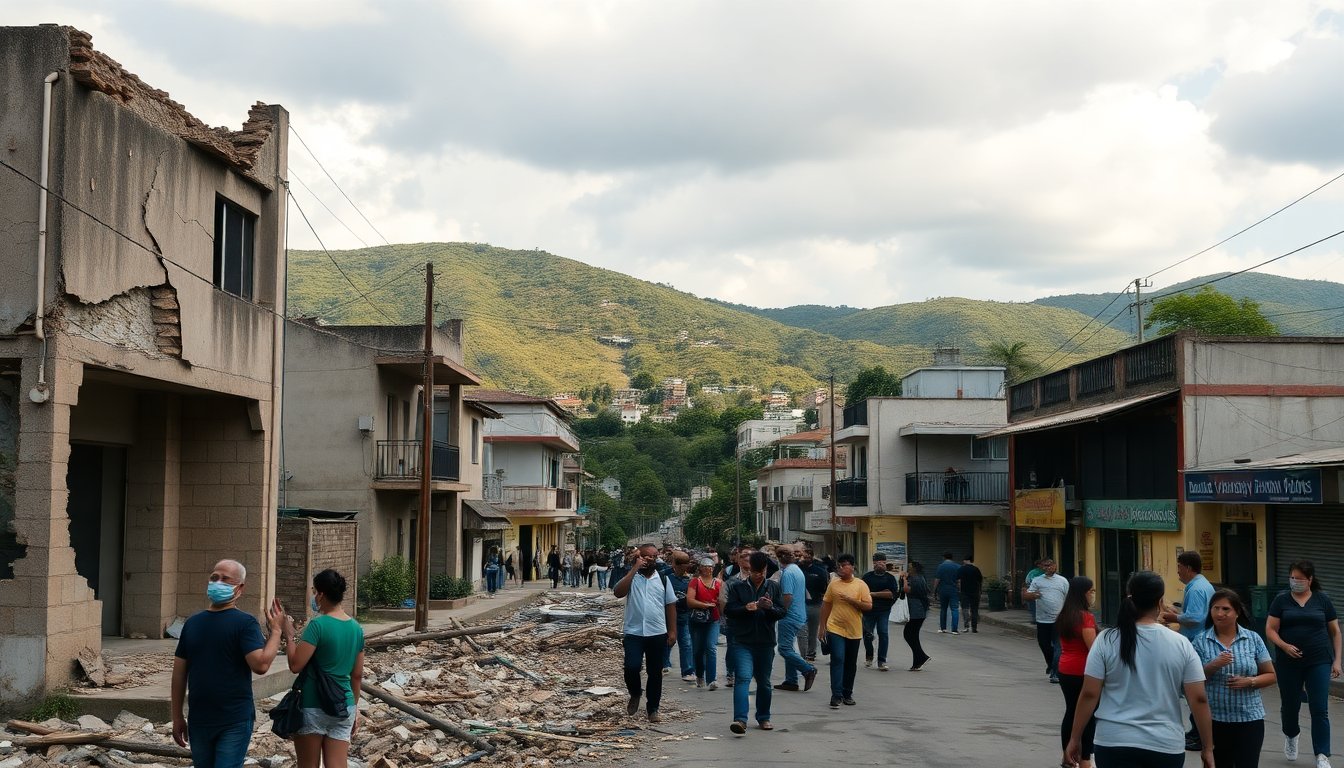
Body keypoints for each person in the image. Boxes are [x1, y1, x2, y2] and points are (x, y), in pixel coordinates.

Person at [1066, 571, 1213, 768]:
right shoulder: (1181, 643)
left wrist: (1075, 738)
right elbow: (1198, 699)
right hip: (1164, 745)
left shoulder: (1107, 640)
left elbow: (1090, 693)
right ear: (1160, 601)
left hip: (1113, 743)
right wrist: (1208, 748)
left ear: (1130, 597)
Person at [171, 560, 285, 768]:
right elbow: (179, 674)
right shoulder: (193, 623)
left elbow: (260, 665)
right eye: (214, 577)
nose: (218, 582)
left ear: (240, 588)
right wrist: (177, 715)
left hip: (233, 720)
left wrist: (276, 632)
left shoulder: (245, 623)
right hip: (199, 718)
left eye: (225, 579)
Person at [283, 569, 365, 768]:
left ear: (320, 594)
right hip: (344, 705)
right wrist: (353, 710)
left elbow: (296, 665)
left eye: (314, 591)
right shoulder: (356, 628)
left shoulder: (317, 625)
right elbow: (357, 675)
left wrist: (289, 636)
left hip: (314, 704)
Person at [1266, 559, 1342, 768]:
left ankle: (1322, 754)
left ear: (1310, 579)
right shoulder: (1281, 600)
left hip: (1319, 660)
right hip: (1288, 662)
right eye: (1292, 578)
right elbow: (1271, 629)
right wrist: (1284, 646)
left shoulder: (1322, 600)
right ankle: (1291, 735)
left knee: (1320, 708)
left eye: (1299, 578)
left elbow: (1335, 631)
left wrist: (1337, 661)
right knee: (1290, 705)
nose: (1295, 582)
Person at [1194, 588, 1275, 768]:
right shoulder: (1200, 641)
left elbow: (1270, 675)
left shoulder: (1253, 639)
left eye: (1225, 609)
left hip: (1249, 718)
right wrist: (1213, 665)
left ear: (1237, 612)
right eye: (1215, 608)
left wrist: (1250, 681)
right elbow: (1193, 681)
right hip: (1214, 720)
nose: (1219, 613)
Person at [613, 543, 677, 723]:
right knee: (631, 667)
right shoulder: (632, 578)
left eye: (654, 556)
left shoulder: (663, 579)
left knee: (655, 672)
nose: (651, 559)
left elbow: (670, 605)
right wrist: (634, 569)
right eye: (647, 556)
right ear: (638, 558)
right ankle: (635, 693)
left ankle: (653, 709)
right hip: (634, 632)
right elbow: (618, 592)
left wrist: (672, 631)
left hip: (657, 632)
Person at [724, 551, 788, 734]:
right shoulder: (738, 587)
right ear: (749, 570)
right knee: (743, 678)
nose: (759, 575)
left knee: (764, 682)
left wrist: (769, 608)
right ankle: (740, 719)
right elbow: (729, 610)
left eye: (762, 571)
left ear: (766, 569)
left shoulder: (773, 587)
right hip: (742, 641)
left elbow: (782, 612)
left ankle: (763, 717)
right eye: (755, 572)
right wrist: (746, 608)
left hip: (765, 642)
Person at [1160, 550, 1216, 751]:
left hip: (1197, 645)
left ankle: (1199, 733)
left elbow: (1195, 618)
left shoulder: (1197, 588)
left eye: (1179, 568)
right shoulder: (1199, 586)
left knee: (1193, 689)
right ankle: (1196, 730)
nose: (1178, 572)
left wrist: (1173, 618)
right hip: (1196, 642)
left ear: (1188, 568)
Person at [819, 553, 873, 708]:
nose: (840, 568)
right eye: (839, 565)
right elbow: (826, 605)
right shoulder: (833, 584)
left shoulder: (860, 585)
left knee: (850, 662)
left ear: (852, 567)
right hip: (835, 627)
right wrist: (822, 627)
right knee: (837, 658)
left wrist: (851, 600)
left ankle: (847, 693)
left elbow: (868, 606)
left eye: (844, 565)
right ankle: (836, 695)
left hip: (854, 630)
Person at [1055, 576, 1098, 768]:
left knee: (1071, 711)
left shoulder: (1064, 614)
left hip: (1065, 668)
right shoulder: (1086, 617)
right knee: (1088, 714)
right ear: (1083, 594)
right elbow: (1093, 648)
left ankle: (1067, 756)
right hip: (1084, 671)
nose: (1092, 595)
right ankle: (1085, 758)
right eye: (1091, 591)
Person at [774, 545, 819, 691]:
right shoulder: (797, 570)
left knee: (784, 648)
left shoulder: (787, 573)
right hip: (800, 613)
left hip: (790, 615)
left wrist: (782, 610)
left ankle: (807, 669)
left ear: (779, 558)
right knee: (790, 648)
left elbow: (787, 596)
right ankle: (791, 680)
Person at [1025, 559, 1070, 684]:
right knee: (1044, 644)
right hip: (1043, 619)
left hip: (1059, 619)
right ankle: (1051, 664)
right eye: (1046, 566)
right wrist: (1033, 596)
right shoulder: (1037, 580)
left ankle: (1056, 673)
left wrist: (1067, 614)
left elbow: (1068, 598)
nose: (1048, 567)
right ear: (1042, 567)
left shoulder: (1063, 581)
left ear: (1055, 566)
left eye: (1051, 565)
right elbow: (1027, 596)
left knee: (1058, 647)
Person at [686, 557, 723, 690]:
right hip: (698, 619)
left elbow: (723, 600)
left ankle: (712, 679)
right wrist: (704, 605)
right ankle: (700, 675)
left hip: (713, 618)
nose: (708, 569)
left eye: (711, 566)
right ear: (700, 568)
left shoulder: (718, 583)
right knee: (698, 649)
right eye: (705, 566)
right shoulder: (695, 582)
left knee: (711, 647)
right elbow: (690, 600)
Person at [719, 548, 753, 688]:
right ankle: (731, 673)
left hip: (752, 620)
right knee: (733, 646)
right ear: (739, 562)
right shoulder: (732, 581)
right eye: (745, 560)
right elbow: (722, 600)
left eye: (751, 560)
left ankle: (744, 673)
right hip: (734, 619)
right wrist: (724, 616)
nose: (748, 563)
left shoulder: (759, 580)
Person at [861, 552, 900, 671]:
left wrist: (874, 594)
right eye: (878, 563)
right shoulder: (867, 577)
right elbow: (862, 593)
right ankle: (869, 655)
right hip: (869, 610)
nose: (880, 565)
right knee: (867, 635)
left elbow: (892, 594)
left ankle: (882, 661)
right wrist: (884, 594)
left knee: (883, 633)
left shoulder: (890, 578)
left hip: (884, 610)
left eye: (883, 562)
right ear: (874, 564)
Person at [666, 552, 696, 682]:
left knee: (686, 643)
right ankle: (665, 664)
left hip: (684, 616)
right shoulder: (666, 578)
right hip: (667, 616)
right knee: (667, 641)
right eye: (681, 565)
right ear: (675, 565)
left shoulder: (690, 581)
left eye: (686, 565)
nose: (684, 568)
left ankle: (688, 670)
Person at [798, 546, 830, 662]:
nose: (805, 559)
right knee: (802, 630)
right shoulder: (797, 568)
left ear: (812, 557)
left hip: (815, 604)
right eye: (803, 556)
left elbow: (825, 585)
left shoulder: (819, 570)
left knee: (812, 630)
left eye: (808, 556)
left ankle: (811, 653)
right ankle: (803, 653)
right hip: (800, 604)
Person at [903, 560, 932, 671]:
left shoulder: (916, 579)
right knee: (912, 636)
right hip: (918, 610)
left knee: (909, 634)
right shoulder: (919, 578)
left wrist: (905, 579)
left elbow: (906, 590)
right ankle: (918, 661)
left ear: (914, 569)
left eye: (909, 567)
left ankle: (922, 657)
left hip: (917, 610)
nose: (908, 569)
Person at [933, 551, 962, 634]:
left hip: (943, 590)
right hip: (953, 590)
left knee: (943, 609)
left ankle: (943, 628)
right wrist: (960, 590)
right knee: (954, 609)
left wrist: (934, 591)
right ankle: (954, 630)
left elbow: (937, 580)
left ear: (944, 557)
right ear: (952, 558)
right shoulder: (957, 566)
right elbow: (959, 581)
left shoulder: (940, 566)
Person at [959, 555, 984, 633]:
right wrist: (980, 590)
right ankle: (974, 628)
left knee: (965, 609)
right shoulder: (976, 569)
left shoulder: (961, 569)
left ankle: (966, 627)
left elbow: (956, 578)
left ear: (966, 560)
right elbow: (980, 580)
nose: (963, 561)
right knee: (974, 610)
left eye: (964, 560)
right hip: (975, 592)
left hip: (964, 592)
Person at [1025, 559, 1046, 625]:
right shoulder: (1034, 572)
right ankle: (1035, 618)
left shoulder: (1034, 572)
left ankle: (1036, 618)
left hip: (1041, 591)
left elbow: (1027, 581)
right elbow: (1028, 581)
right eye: (1042, 564)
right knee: (1033, 604)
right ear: (1038, 565)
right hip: (1035, 591)